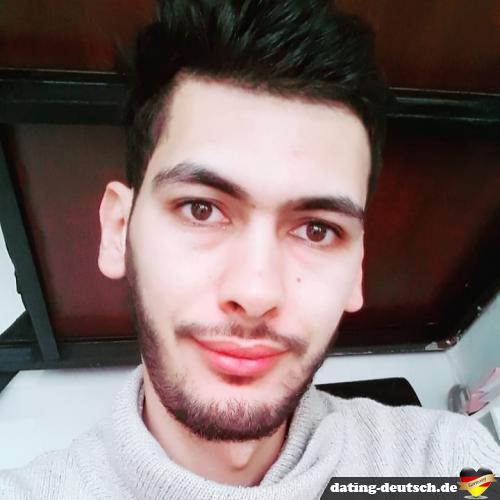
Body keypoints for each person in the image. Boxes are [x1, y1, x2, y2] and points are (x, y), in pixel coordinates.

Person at [1, 0, 499, 498]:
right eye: (201, 209)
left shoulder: (453, 466)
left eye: (317, 230)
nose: (256, 293)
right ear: (118, 230)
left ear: (357, 272)